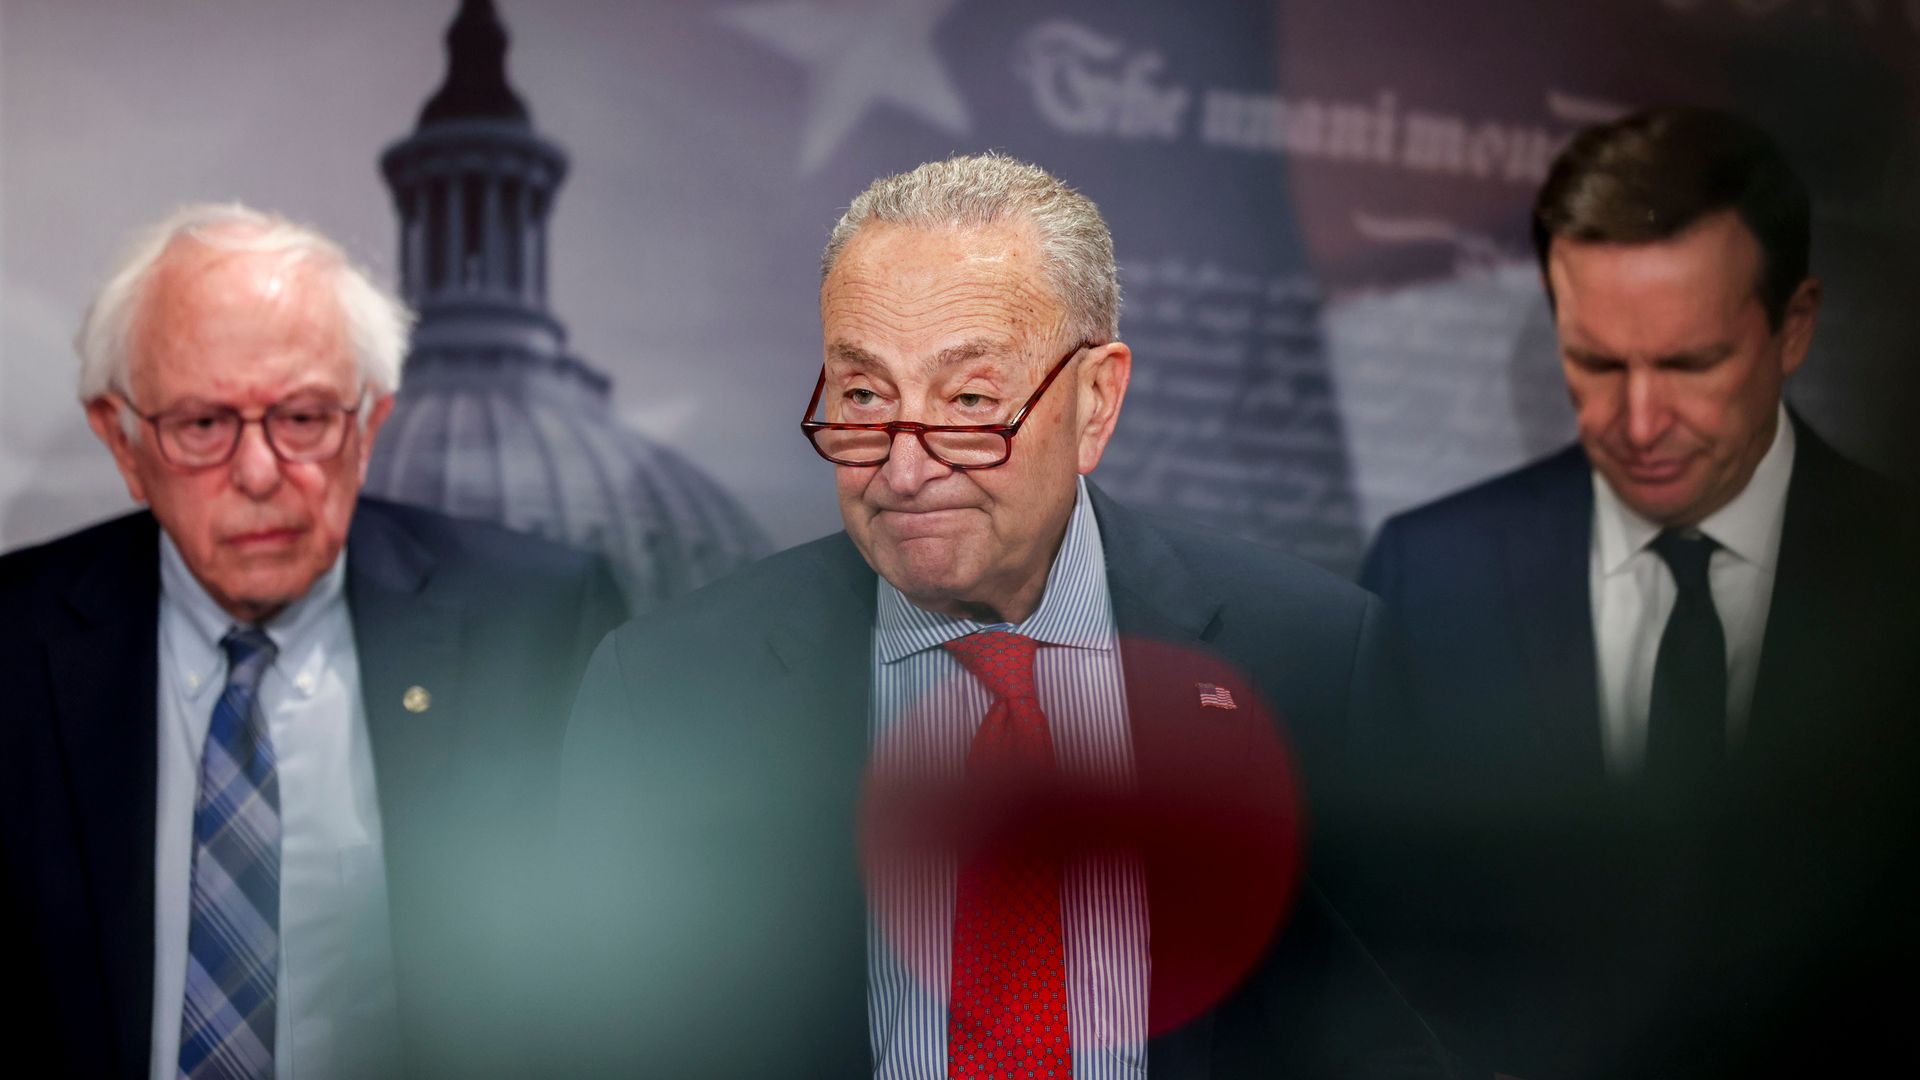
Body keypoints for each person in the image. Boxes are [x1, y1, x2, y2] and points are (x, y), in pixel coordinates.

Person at [556, 152, 1452, 1078]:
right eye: (863, 396)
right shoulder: (666, 695)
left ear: (1096, 402)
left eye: (971, 402)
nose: (904, 471)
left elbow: (1406, 1036)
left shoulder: (1310, 657)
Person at [0, 203, 623, 1079]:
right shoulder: (15, 644)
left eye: (302, 419)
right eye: (202, 426)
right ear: (124, 441)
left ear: (368, 429)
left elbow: (611, 992)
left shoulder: (538, 627)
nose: (258, 474)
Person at [1359, 107, 1920, 1077]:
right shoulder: (1428, 579)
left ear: (1794, 328)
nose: (1640, 420)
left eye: (1692, 364)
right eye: (1596, 363)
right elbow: (1375, 948)